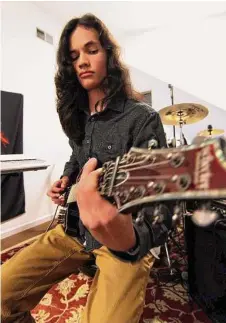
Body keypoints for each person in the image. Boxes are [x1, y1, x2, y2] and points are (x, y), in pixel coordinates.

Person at [1, 14, 172, 323]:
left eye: (91, 50)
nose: (82, 61)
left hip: (120, 240)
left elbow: (159, 214)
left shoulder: (142, 119)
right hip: (75, 231)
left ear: (108, 53)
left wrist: (127, 237)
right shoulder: (77, 116)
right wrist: (67, 179)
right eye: (74, 56)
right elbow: (76, 155)